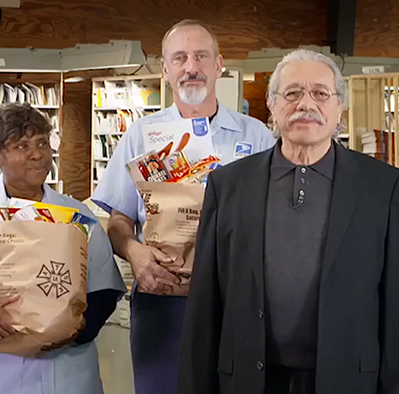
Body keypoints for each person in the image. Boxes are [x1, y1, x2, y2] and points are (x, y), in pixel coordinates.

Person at [178, 48, 399, 394]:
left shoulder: (382, 187)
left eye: (321, 94)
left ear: (339, 107)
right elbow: (204, 305)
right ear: (272, 105)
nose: (305, 104)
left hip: (346, 382)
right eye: (292, 93)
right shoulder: (228, 184)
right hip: (249, 380)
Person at [91, 19, 275, 394]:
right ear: (165, 68)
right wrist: (134, 252)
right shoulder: (141, 135)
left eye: (200, 56)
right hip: (163, 300)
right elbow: (118, 220)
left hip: (236, 302)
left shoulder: (256, 135)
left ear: (218, 64)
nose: (191, 67)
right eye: (180, 58)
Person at [0, 103, 125, 394]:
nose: (37, 154)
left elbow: (105, 289)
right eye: (22, 146)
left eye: (42, 143)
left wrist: (75, 330)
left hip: (68, 370)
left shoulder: (76, 215)